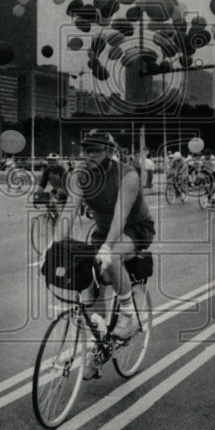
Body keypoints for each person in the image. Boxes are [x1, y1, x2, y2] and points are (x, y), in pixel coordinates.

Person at [59, 130, 155, 378]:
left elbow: (121, 216)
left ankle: (128, 316)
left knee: (111, 258)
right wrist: (54, 244)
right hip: (104, 232)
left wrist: (107, 248)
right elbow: (70, 210)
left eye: (95, 151)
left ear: (110, 152)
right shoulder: (80, 175)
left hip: (135, 229)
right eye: (86, 151)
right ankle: (99, 341)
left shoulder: (127, 175)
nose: (89, 156)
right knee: (88, 284)